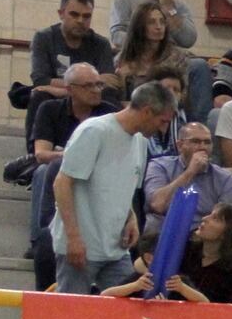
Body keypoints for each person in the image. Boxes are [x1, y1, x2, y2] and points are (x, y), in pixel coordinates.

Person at [52, 82, 174, 294]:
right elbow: (62, 183)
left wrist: (131, 218)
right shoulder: (95, 131)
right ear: (146, 111)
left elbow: (123, 187)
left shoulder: (140, 142)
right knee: (72, 315)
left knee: (128, 312)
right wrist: (73, 237)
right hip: (82, 245)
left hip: (116, 249)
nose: (163, 129)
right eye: (162, 121)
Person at [107, 0, 210, 120]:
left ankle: (197, 127)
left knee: (199, 66)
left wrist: (169, 8)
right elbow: (117, 35)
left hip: (171, 58)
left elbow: (188, 39)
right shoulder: (124, 0)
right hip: (137, 55)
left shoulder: (179, 6)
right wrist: (143, 40)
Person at [30, 0, 119, 127]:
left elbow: (108, 81)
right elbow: (40, 79)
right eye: (74, 14)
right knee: (39, 96)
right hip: (58, 100)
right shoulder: (43, 38)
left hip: (86, 96)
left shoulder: (101, 44)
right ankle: (36, 147)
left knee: (110, 96)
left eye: (86, 16)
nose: (80, 21)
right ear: (61, 14)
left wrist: (68, 89)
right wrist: (85, 87)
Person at [143, 121, 232, 229]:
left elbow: (226, 219)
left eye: (207, 142)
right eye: (195, 141)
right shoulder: (159, 166)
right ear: (180, 145)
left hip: (202, 234)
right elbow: (157, 205)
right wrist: (190, 172)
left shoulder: (224, 177)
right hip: (164, 230)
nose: (203, 147)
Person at [30, 62, 109, 169]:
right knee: (44, 170)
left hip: (97, 170)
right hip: (60, 168)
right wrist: (72, 155)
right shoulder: (49, 109)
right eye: (88, 86)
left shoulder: (109, 113)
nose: (96, 90)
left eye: (99, 85)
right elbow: (41, 154)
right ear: (69, 90)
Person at [176, 203, 232, 304]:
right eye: (210, 215)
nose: (204, 218)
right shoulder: (184, 251)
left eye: (215, 219)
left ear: (228, 233)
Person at [113, 0, 192, 99]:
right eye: (151, 22)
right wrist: (122, 79)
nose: (159, 27)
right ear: (139, 27)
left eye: (162, 22)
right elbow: (117, 100)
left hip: (166, 109)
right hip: (132, 110)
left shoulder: (177, 57)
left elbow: (183, 96)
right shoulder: (122, 59)